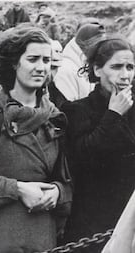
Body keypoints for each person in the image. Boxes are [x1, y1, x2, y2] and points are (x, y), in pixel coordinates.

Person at [0, 27, 73, 252]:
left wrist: (57, 192)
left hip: (40, 236)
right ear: (14, 63)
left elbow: (67, 179)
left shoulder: (54, 116)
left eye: (46, 60)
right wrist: (18, 189)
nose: (41, 67)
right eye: (32, 59)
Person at [61, 35, 135, 252]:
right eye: (117, 67)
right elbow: (82, 157)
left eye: (130, 67)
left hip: (129, 214)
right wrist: (113, 115)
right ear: (97, 70)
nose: (125, 75)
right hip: (92, 217)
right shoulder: (77, 110)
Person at [54, 23, 106, 102]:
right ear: (87, 44)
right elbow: (67, 109)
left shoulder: (86, 65)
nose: (103, 50)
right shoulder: (65, 70)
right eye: (100, 45)